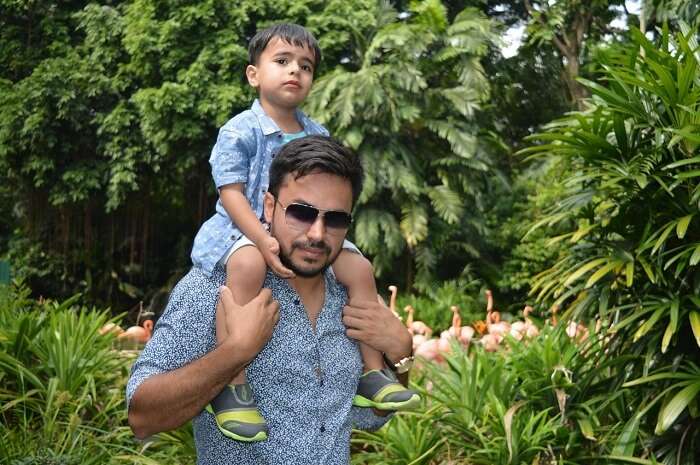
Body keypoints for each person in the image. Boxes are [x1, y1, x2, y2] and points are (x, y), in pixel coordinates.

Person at [188, 23, 418, 441]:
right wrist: (261, 237)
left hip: (292, 231)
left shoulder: (318, 134)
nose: (295, 71)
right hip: (242, 227)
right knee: (246, 266)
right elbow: (232, 192)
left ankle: (371, 374)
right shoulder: (240, 130)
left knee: (360, 269)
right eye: (282, 61)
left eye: (305, 65)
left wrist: (401, 352)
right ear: (253, 74)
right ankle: (232, 383)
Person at [127, 136, 417, 464]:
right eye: (301, 213)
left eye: (335, 219)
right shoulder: (215, 289)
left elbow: (370, 417)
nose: (317, 234)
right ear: (269, 206)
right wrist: (234, 353)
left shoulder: (354, 298)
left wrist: (401, 356)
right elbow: (142, 417)